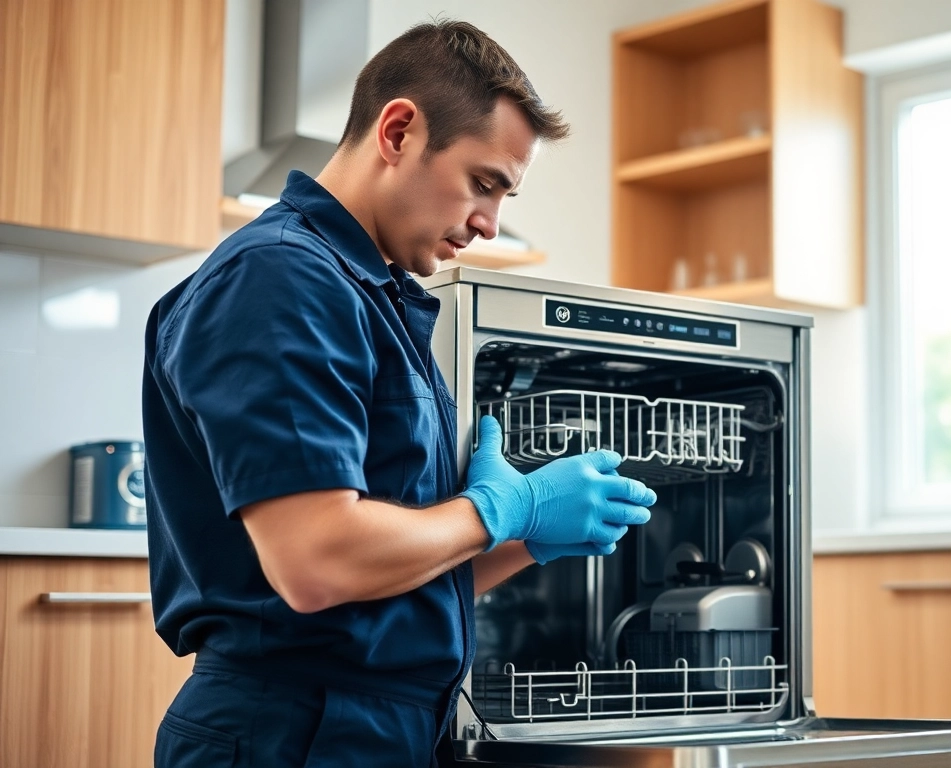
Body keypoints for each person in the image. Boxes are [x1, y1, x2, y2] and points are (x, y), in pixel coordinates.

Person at [141, 19, 655, 768]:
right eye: (484, 184)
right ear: (399, 130)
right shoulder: (282, 278)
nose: (489, 222)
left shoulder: (370, 295)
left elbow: (392, 579)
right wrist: (500, 508)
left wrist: (525, 540)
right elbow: (317, 562)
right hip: (291, 731)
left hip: (373, 727)